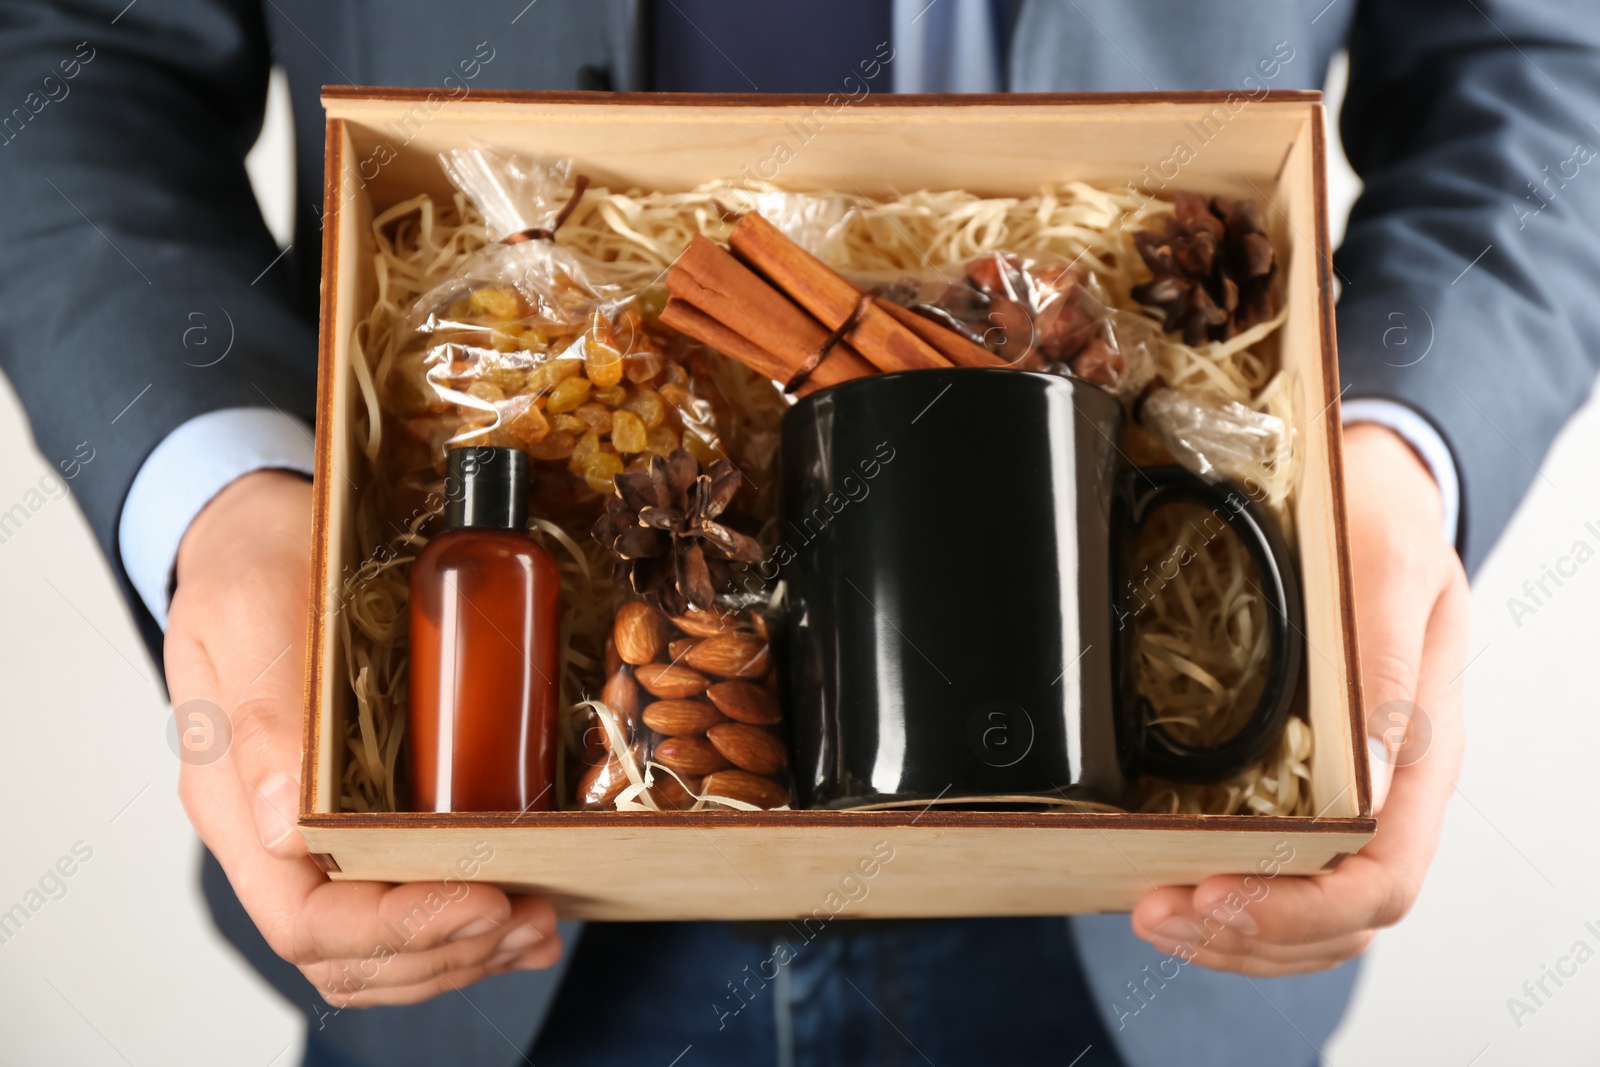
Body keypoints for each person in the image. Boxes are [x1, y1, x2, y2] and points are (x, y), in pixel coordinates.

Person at [3, 1, 1596, 1064]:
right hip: (510, 967)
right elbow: (72, 50)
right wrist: (219, 491)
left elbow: (1542, 61)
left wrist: (1392, 464)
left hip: (1138, 965)